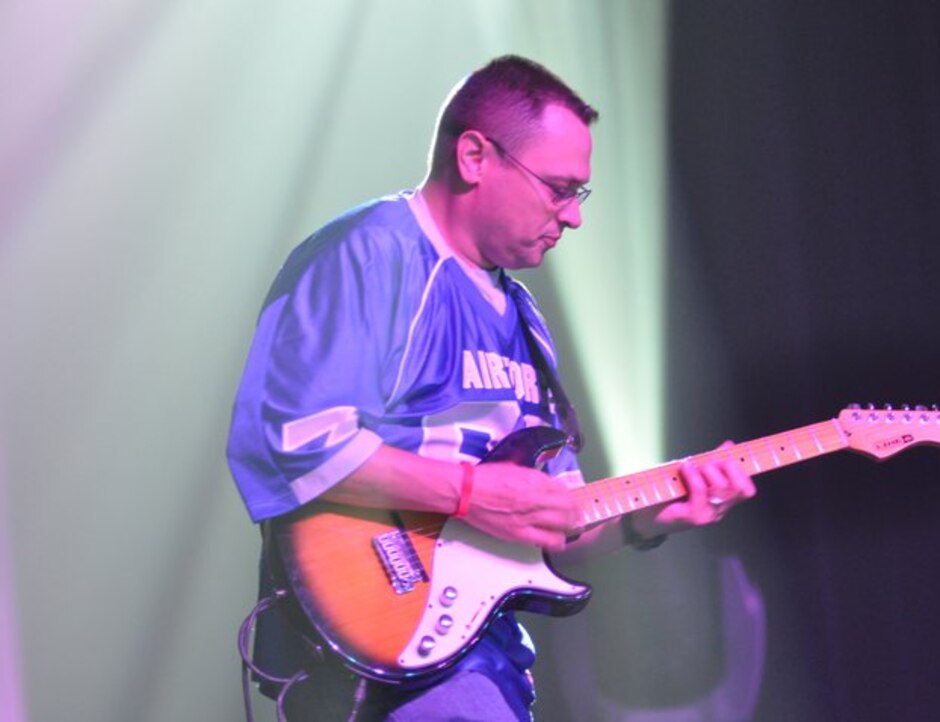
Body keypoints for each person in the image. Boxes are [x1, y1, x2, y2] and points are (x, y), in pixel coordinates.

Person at [227, 55, 755, 722]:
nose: (573, 217)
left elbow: (550, 522)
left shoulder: (526, 320)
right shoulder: (370, 253)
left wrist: (652, 515)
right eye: (560, 188)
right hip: (382, 660)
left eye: (579, 194)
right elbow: (294, 444)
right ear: (475, 156)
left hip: (484, 659)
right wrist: (472, 494)